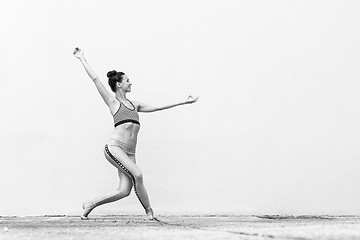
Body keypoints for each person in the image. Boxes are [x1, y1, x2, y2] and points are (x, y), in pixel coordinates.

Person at [72, 47, 199, 220]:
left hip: (130, 153)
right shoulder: (113, 102)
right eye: (127, 81)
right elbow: (95, 79)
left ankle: (90, 204)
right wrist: (82, 58)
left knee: (124, 191)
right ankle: (149, 211)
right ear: (119, 84)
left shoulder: (135, 105)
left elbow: (159, 106)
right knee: (138, 174)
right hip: (115, 147)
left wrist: (183, 102)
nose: (131, 83)